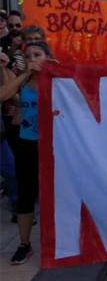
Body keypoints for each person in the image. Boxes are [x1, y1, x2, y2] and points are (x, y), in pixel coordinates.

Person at [0, 41, 54, 264]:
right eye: (28, 56)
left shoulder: (56, 79)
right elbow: (3, 95)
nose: (33, 59)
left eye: (37, 55)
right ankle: (25, 244)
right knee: (26, 195)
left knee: (56, 193)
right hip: (27, 144)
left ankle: (60, 242)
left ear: (47, 57)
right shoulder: (21, 81)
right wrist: (23, 76)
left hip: (53, 145)